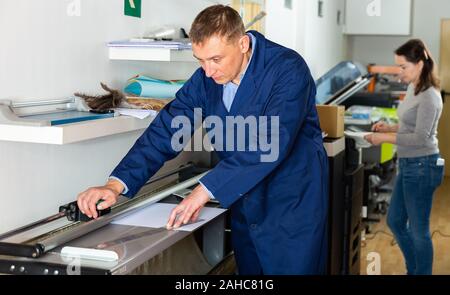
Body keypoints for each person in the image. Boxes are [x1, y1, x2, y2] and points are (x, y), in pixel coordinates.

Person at [77, 5, 329, 275]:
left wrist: (203, 191)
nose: (208, 71)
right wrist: (115, 185)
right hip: (246, 202)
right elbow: (167, 129)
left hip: (290, 206)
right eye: (200, 60)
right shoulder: (207, 79)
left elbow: (268, 145)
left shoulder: (288, 69)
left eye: (216, 59)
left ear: (243, 44)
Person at [365, 39, 444, 275]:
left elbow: (420, 138)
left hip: (422, 166)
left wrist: (383, 140)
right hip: (409, 164)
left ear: (419, 64)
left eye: (403, 67)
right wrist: (388, 128)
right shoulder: (413, 88)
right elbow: (408, 126)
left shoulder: (430, 96)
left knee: (419, 230)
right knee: (396, 221)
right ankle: (415, 270)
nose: (399, 72)